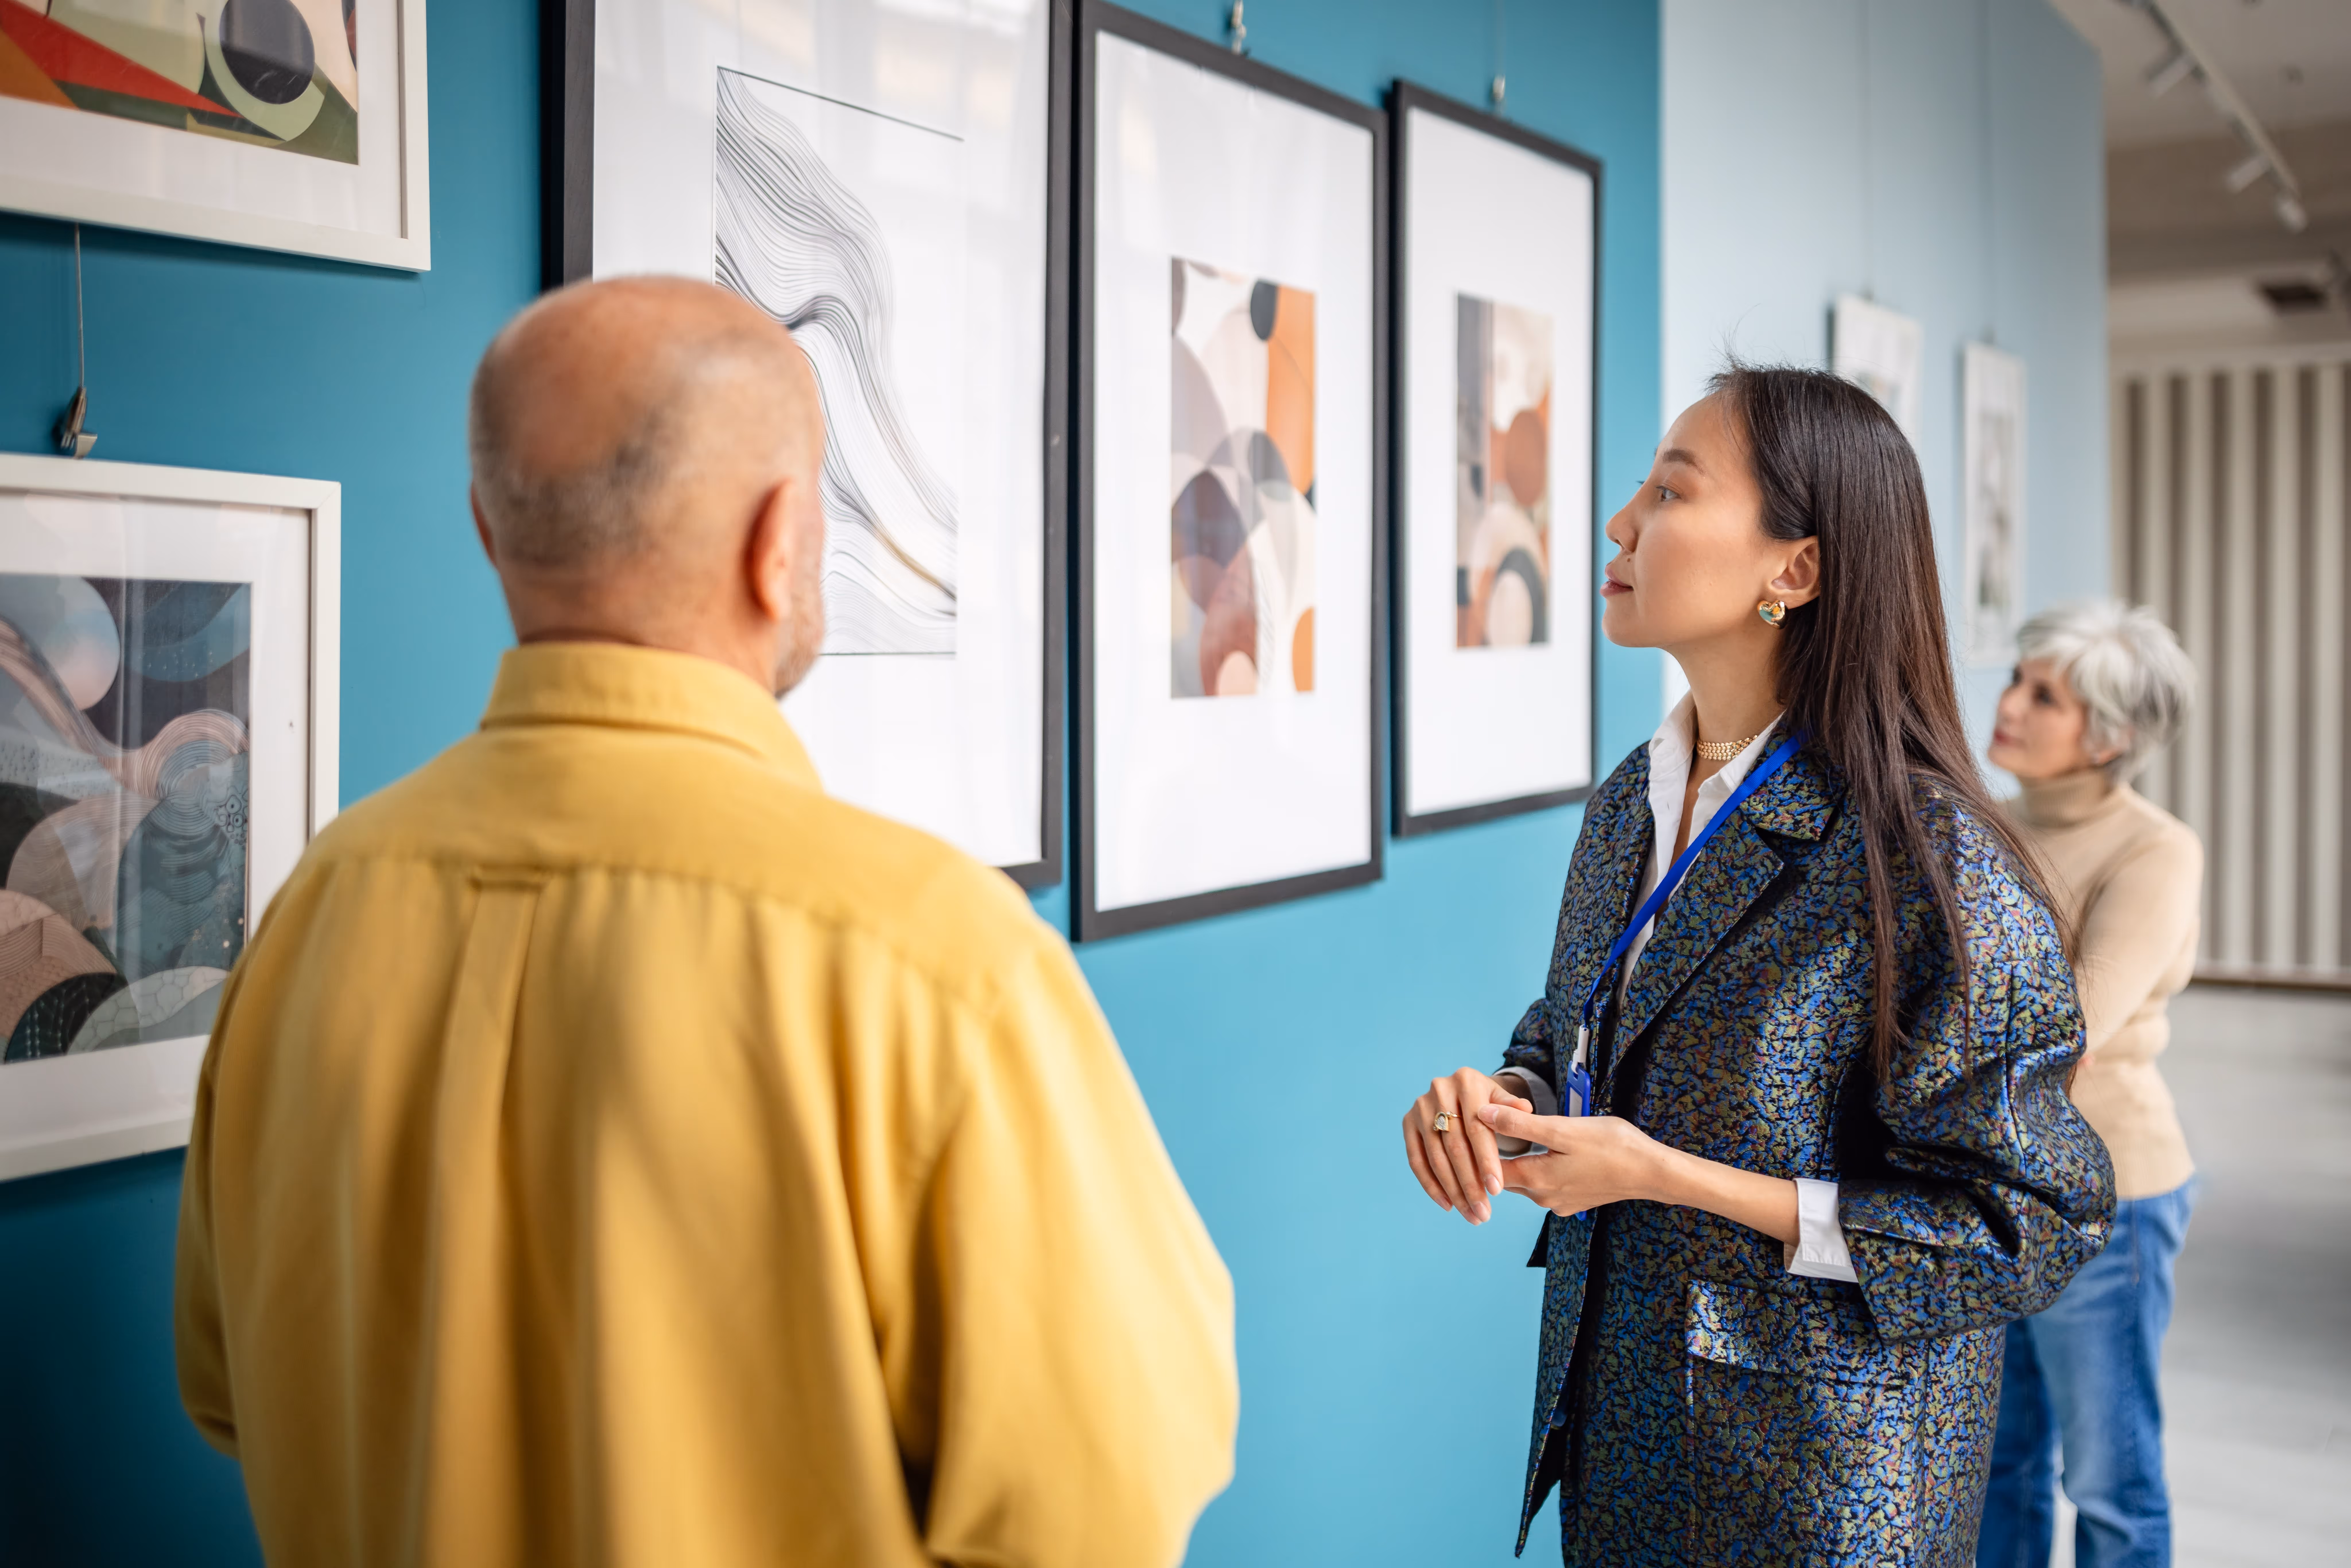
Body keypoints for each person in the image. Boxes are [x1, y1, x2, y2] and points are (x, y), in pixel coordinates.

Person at [173, 277, 1237, 1568]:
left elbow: (226, 1394)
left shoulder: (304, 918)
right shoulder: (929, 957)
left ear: (488, 533)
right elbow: (1105, 1503)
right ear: (780, 538)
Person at [1400, 366, 2115, 1566]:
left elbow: (2031, 1221)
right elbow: (1577, 1034)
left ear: (1793, 569)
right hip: (1624, 1452)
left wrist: (1668, 1177)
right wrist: (1503, 1103)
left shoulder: (1924, 859)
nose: (1621, 523)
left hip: (1819, 1492)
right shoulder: (1629, 805)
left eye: (1670, 492)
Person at [1976, 602, 2203, 1568]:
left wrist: (2026, 1028)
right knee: (2001, 1465)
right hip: (1991, 1188)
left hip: (2110, 1197)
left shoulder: (2156, 851)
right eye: (2018, 680)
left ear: (2107, 736)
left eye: (2045, 695)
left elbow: (2072, 1027)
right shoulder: (1980, 822)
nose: (2010, 704)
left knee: (2110, 1482)